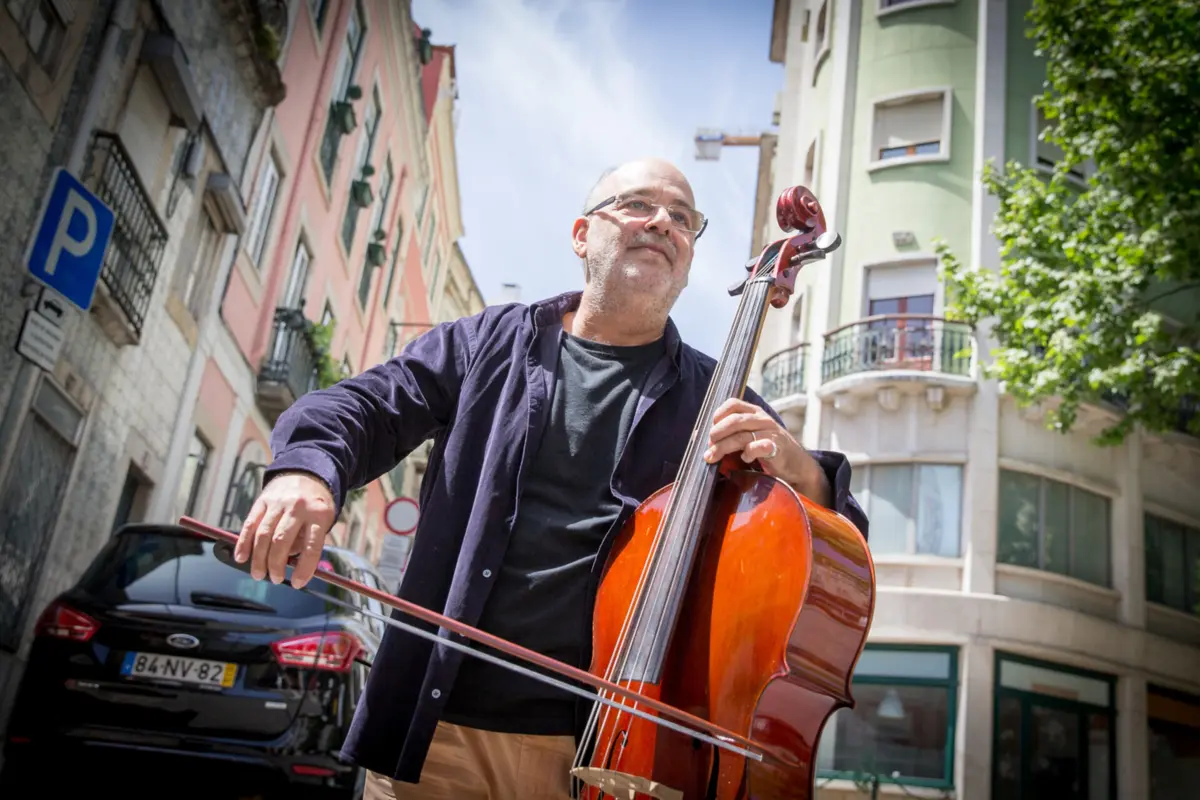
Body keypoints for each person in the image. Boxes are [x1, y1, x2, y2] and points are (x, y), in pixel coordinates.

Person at [233, 158, 868, 799]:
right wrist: (306, 474)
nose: (662, 223)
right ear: (581, 234)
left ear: (690, 258)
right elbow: (365, 406)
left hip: (605, 751)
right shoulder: (487, 344)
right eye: (638, 204)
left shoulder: (718, 397)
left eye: (682, 218)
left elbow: (828, 540)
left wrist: (803, 471)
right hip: (435, 732)